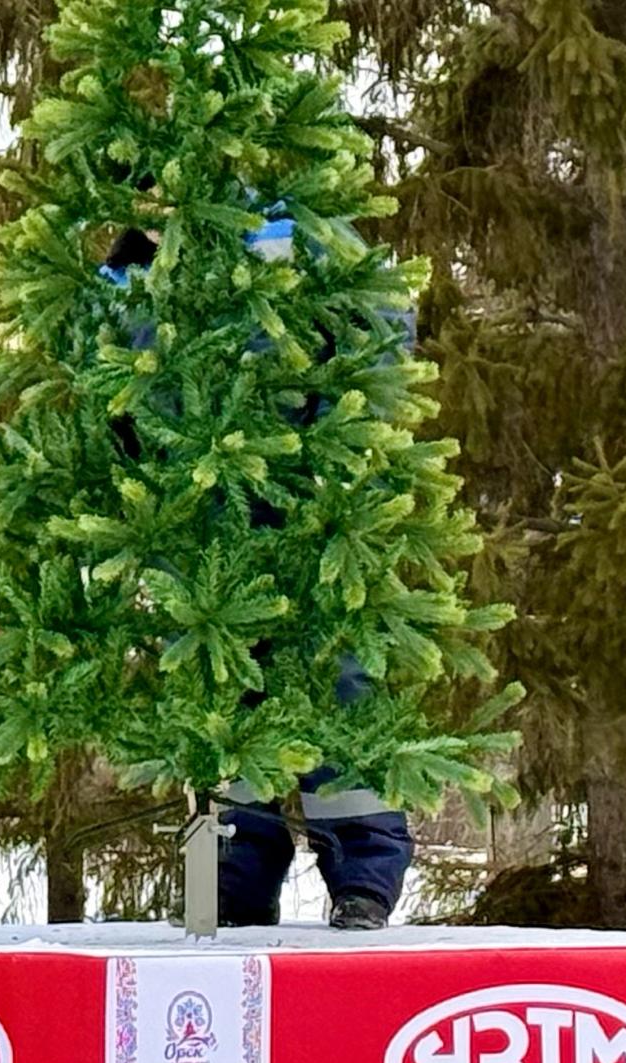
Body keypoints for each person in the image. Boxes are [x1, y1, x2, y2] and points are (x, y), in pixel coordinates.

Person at [99, 215, 416, 931]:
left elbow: (379, 317)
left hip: (306, 504)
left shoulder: (290, 230)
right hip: (197, 522)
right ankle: (221, 891)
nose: (152, 200)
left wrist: (337, 438)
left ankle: (364, 884)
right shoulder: (126, 274)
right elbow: (105, 383)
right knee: (216, 702)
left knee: (338, 684)